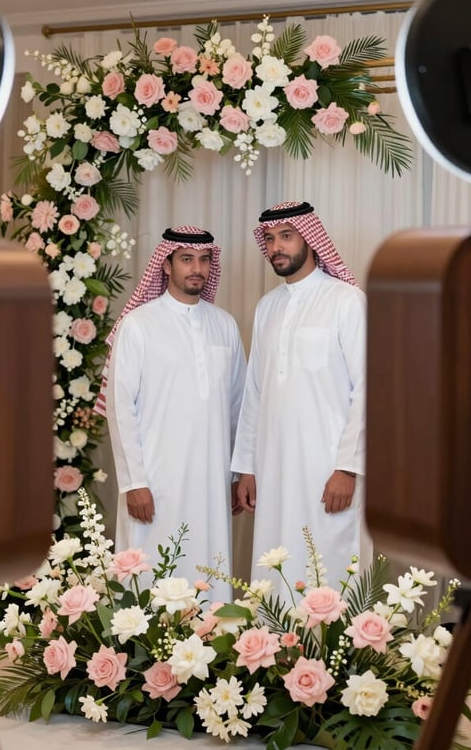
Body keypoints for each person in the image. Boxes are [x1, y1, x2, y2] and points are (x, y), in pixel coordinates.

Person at [99, 226, 246, 599]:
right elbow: (120, 409)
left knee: (208, 568)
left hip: (211, 481)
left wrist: (234, 475)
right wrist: (134, 482)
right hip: (155, 481)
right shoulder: (138, 325)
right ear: (166, 265)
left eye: (203, 260)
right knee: (150, 570)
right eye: (186, 259)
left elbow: (237, 407)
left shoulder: (224, 325)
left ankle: (210, 649)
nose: (196, 268)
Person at [231, 201, 368, 600]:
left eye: (286, 236)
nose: (276, 247)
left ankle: (339, 658)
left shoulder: (345, 300)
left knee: (332, 562)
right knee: (279, 562)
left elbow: (368, 388)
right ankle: (276, 655)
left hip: (327, 467)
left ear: (309, 238)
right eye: (270, 239)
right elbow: (255, 392)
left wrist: (347, 467)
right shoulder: (267, 307)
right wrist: (247, 469)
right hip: (274, 469)